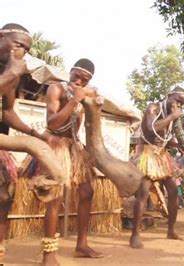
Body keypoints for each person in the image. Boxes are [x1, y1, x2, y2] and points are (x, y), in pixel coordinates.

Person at [23, 58, 103, 265]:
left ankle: (82, 245)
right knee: (54, 198)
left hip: (73, 147)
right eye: (76, 76)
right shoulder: (55, 89)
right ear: (71, 71)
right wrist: (75, 100)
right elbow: (53, 122)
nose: (79, 82)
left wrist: (92, 100)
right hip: (54, 145)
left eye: (84, 81)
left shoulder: (83, 95)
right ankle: (48, 254)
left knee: (87, 192)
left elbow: (80, 126)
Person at [0, 23, 51, 260]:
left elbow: (7, 112)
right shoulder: (10, 72)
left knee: (3, 198)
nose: (22, 53)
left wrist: (36, 133)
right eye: (19, 45)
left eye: (26, 50)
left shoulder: (10, 72)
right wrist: (11, 73)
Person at [129, 87, 184, 248]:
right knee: (143, 193)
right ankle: (134, 235)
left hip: (162, 156)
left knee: (174, 192)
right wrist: (173, 116)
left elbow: (167, 138)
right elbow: (150, 128)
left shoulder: (171, 117)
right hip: (147, 154)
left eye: (181, 104)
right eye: (176, 100)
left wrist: (183, 145)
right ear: (168, 96)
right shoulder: (153, 108)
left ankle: (171, 230)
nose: (178, 105)